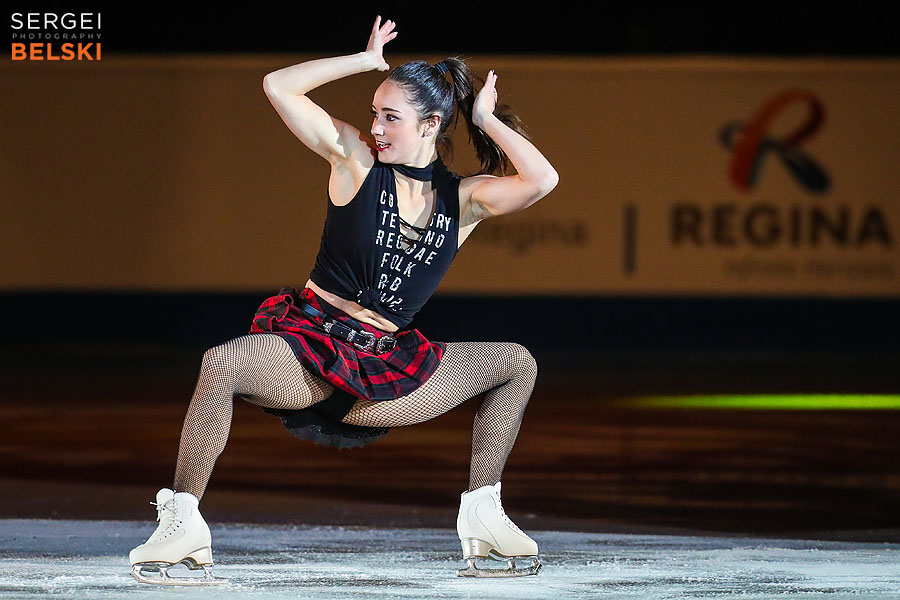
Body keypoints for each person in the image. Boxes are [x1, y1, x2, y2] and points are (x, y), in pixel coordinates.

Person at [129, 16, 558, 584]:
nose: (376, 127)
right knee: (222, 362)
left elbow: (542, 179)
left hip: (384, 376)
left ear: (431, 124)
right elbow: (278, 86)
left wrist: (485, 120)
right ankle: (184, 521)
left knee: (516, 363)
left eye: (391, 117)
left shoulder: (464, 198)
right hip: (307, 355)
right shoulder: (355, 161)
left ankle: (482, 510)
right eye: (375, 113)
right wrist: (364, 61)